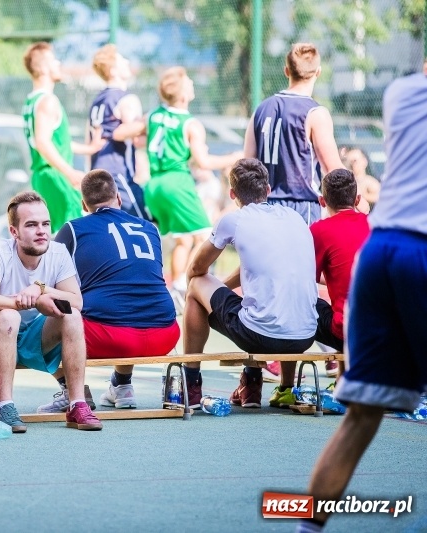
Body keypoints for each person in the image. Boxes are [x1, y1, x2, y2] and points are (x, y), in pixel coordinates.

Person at [299, 63, 427, 533]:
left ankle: (307, 528)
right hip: (420, 250)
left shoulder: (401, 91)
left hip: (381, 250)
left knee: (361, 417)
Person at [181, 158, 317, 409]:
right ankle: (277, 387)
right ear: (268, 189)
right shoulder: (295, 217)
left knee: (196, 286)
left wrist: (209, 295)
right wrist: (224, 289)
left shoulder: (233, 220)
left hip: (259, 335)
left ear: (232, 194)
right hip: (305, 336)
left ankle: (190, 384)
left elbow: (196, 270)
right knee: (265, 297)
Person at [38, 170, 178, 411]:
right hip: (165, 334)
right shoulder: (149, 228)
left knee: (45, 314)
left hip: (108, 337)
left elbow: (46, 275)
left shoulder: (74, 229)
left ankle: (72, 389)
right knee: (126, 295)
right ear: (119, 198)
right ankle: (122, 384)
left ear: (84, 205)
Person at [0, 191, 102, 432]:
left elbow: (77, 301)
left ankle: (77, 403)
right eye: (31, 225)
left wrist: (41, 289)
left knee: (72, 314)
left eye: (46, 224)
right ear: (14, 232)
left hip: (32, 339)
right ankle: (5, 407)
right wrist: (33, 302)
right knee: (9, 316)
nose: (41, 231)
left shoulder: (58, 252)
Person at [135, 67, 241, 307]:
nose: (193, 84)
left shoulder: (153, 116)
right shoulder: (191, 124)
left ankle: (174, 287)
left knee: (183, 240)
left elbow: (126, 133)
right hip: (177, 182)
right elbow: (203, 162)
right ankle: (186, 287)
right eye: (189, 82)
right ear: (183, 95)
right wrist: (233, 157)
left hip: (153, 184)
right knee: (206, 236)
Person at [244, 42, 343, 226]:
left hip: (264, 205)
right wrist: (357, 197)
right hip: (301, 207)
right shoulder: (315, 113)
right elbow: (333, 169)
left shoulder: (260, 110)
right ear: (318, 72)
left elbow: (248, 165)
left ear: (286, 71)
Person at [22, 42, 102, 233]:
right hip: (55, 175)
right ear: (43, 68)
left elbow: (56, 142)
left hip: (43, 176)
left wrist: (89, 148)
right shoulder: (47, 101)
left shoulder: (31, 101)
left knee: (54, 236)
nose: (58, 63)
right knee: (74, 234)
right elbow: (43, 142)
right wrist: (69, 172)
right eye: (53, 60)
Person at [310, 169, 370, 380]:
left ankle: (285, 384)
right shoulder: (376, 225)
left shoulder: (319, 230)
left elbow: (306, 277)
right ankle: (343, 379)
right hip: (386, 328)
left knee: (302, 303)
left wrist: (333, 277)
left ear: (322, 201)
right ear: (357, 200)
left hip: (345, 331)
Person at [87, 44, 148, 219]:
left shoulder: (98, 100)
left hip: (97, 173)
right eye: (122, 60)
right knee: (143, 225)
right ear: (113, 70)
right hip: (117, 173)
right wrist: (152, 122)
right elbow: (135, 137)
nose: (127, 62)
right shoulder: (125, 98)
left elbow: (90, 139)